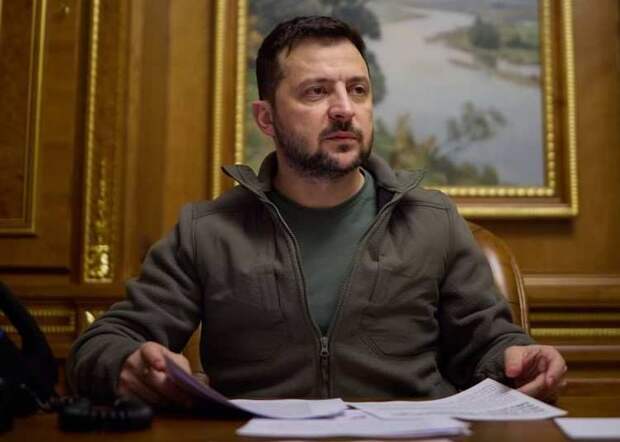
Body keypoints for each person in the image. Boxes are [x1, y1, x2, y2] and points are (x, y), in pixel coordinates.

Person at [67, 16, 566, 407]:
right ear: (266, 118)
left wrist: (517, 359)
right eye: (317, 91)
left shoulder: (432, 221)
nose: (344, 108)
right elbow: (103, 343)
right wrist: (124, 364)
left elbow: (488, 343)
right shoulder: (207, 231)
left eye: (358, 90)